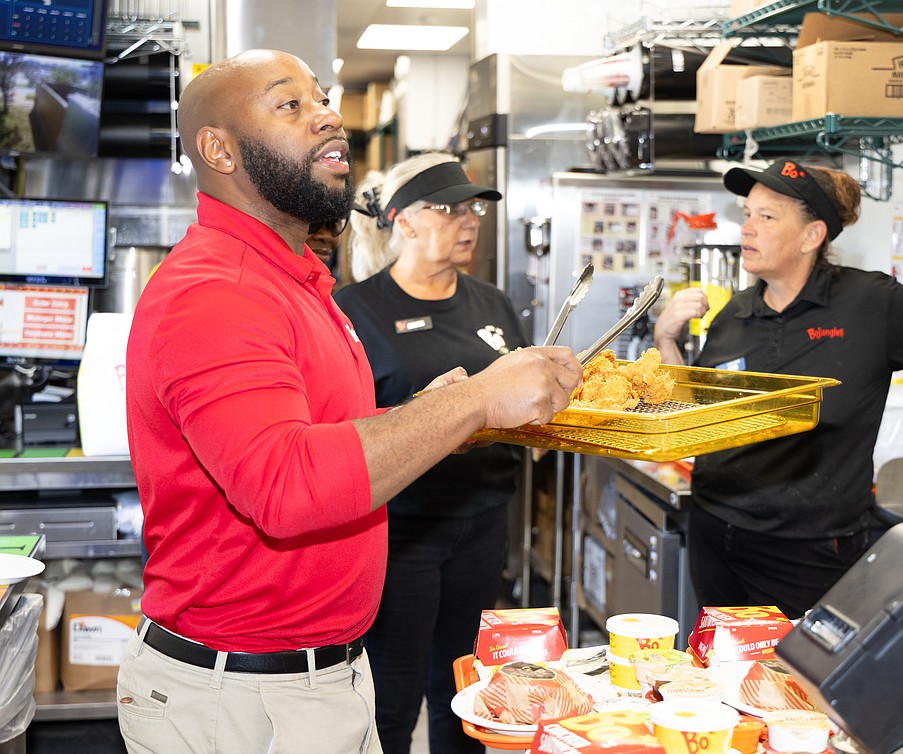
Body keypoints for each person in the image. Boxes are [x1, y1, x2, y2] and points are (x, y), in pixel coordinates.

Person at [116, 49, 582, 754]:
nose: (329, 116)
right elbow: (287, 485)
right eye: (290, 105)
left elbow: (320, 439)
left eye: (323, 98)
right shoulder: (216, 290)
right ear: (218, 149)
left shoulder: (297, 282)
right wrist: (477, 401)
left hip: (312, 677)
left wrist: (424, 416)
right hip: (239, 701)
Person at [653, 159, 903, 619]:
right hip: (716, 533)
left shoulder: (871, 303)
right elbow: (693, 417)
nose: (748, 229)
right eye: (747, 214)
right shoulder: (735, 313)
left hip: (810, 551)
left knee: (803, 684)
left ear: (813, 236)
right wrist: (665, 340)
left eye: (766, 218)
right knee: (722, 672)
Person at [333, 152, 521, 754]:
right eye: (447, 208)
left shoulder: (493, 306)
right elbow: (344, 424)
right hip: (401, 530)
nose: (467, 221)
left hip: (484, 519)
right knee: (392, 694)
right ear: (403, 221)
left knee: (465, 688)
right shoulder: (355, 309)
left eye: (473, 209)